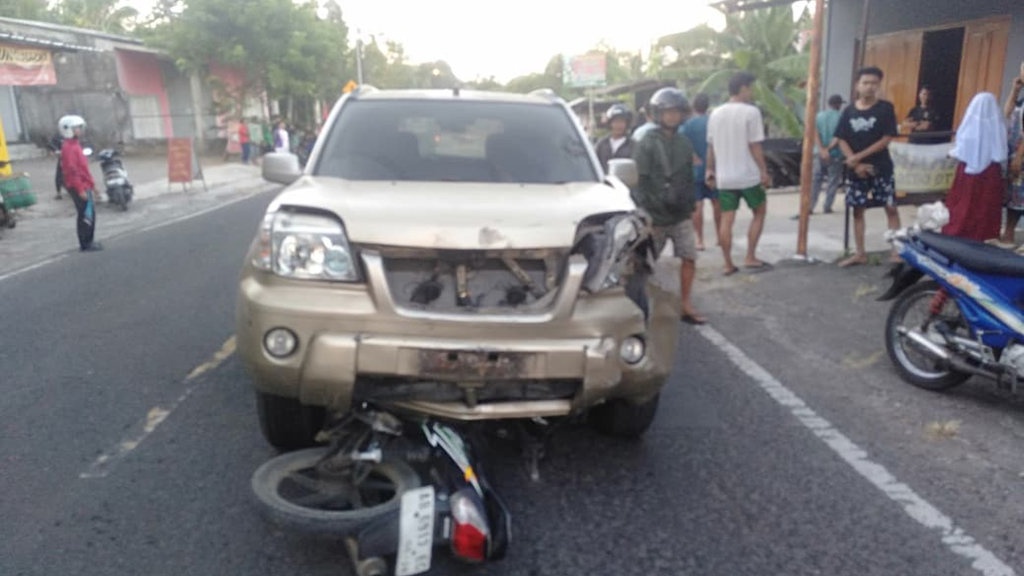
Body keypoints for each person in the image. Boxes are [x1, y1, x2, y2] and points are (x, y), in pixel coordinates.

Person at [631, 88, 705, 324]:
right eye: (667, 112)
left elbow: (687, 175)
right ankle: (641, 306)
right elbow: (637, 181)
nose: (672, 117)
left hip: (680, 213)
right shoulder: (646, 143)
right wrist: (644, 216)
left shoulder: (684, 143)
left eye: (676, 112)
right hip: (655, 216)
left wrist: (691, 204)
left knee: (689, 257)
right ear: (657, 114)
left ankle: (685, 303)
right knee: (645, 266)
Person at [834, 66, 902, 267]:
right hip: (857, 171)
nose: (870, 87)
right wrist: (855, 163)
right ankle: (860, 253)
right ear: (857, 85)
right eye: (865, 83)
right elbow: (841, 138)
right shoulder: (849, 111)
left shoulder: (885, 108)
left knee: (890, 207)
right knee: (857, 210)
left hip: (881, 167)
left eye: (874, 83)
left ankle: (897, 250)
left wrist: (858, 158)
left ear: (879, 85)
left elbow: (887, 138)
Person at [705, 71, 771, 275]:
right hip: (748, 175)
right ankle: (750, 256)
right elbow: (755, 146)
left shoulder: (715, 113)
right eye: (750, 88)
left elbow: (711, 146)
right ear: (743, 88)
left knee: (727, 219)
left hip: (725, 177)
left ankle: (727, 263)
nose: (751, 92)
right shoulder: (751, 112)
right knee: (759, 212)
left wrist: (710, 169)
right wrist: (764, 171)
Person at [941, 92, 1006, 242]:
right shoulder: (998, 127)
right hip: (990, 173)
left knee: (963, 203)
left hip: (967, 173)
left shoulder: (969, 127)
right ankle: (983, 235)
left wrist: (951, 154)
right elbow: (1001, 151)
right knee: (984, 205)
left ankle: (959, 232)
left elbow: (961, 149)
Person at [792, 94, 845, 218]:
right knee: (833, 180)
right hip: (836, 153)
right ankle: (827, 206)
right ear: (839, 105)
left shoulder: (818, 116)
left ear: (828, 104)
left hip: (818, 153)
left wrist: (821, 149)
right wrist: (828, 149)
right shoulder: (842, 117)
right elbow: (839, 136)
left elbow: (814, 134)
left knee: (816, 180)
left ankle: (810, 206)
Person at [680, 93, 719, 251]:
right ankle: (720, 236)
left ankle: (699, 240)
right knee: (717, 203)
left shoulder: (687, 126)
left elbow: (683, 146)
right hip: (714, 169)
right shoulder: (713, 122)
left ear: (693, 106)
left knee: (697, 206)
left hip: (695, 170)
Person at [58, 115, 102, 252]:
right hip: (77, 185)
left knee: (89, 213)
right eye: (76, 128)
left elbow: (84, 168)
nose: (79, 130)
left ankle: (89, 240)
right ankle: (85, 243)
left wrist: (93, 186)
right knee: (85, 214)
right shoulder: (69, 148)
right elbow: (72, 170)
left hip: (84, 184)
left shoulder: (75, 145)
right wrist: (80, 189)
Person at [1001, 63, 1024, 245]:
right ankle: (1008, 234)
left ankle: (1009, 234)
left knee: (1019, 196)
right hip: (1013, 152)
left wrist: (1019, 156)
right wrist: (1014, 90)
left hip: (1021, 155)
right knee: (1012, 196)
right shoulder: (1021, 98)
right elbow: (1006, 113)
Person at [595, 104, 635, 173]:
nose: (618, 125)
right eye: (615, 122)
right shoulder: (601, 144)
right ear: (610, 123)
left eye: (622, 122)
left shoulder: (633, 145)